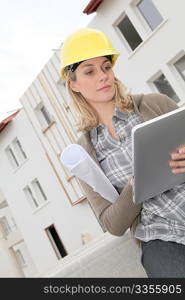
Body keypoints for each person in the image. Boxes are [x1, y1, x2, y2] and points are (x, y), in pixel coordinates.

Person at [60, 28, 185, 278]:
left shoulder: (155, 104)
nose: (103, 76)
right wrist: (135, 187)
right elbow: (112, 224)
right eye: (89, 71)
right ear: (73, 84)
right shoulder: (84, 154)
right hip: (160, 237)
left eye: (106, 67)